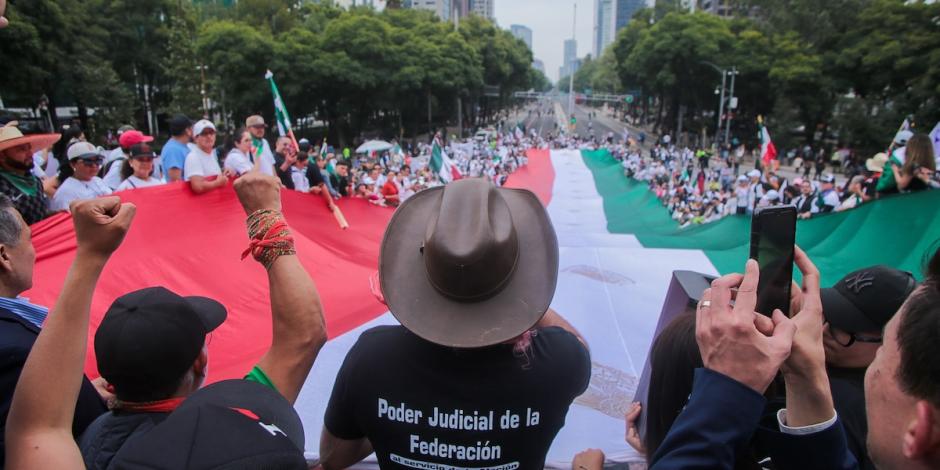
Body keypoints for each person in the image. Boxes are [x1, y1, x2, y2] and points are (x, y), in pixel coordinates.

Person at [320, 178, 591, 469]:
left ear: (419, 272)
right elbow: (580, 349)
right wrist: (527, 302)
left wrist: (390, 422)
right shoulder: (560, 361)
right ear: (521, 277)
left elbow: (333, 458)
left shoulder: (371, 357)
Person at [75, 173, 327, 468]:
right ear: (200, 362)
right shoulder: (233, 424)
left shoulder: (71, 440)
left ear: (109, 381)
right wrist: (265, 214)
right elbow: (305, 334)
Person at [0, 194, 108, 464]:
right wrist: (91, 254)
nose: (34, 251)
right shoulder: (15, 351)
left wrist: (79, 391)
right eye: (30, 238)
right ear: (4, 255)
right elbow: (38, 434)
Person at [821, 266, 917, 470]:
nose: (825, 330)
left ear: (889, 342)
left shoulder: (842, 402)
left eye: (846, 329)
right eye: (826, 315)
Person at [0, 122, 60, 224]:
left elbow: (39, 215)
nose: (30, 153)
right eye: (21, 150)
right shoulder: (2, 187)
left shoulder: (35, 180)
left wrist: (57, 215)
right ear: (2, 156)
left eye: (29, 148)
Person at [49, 142, 113, 212]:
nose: (94, 165)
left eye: (98, 160)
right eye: (88, 161)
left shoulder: (98, 180)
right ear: (73, 164)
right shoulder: (65, 192)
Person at [184, 119, 230, 194]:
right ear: (196, 138)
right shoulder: (193, 157)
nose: (209, 136)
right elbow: (198, 186)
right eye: (204, 133)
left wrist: (224, 173)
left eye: (211, 133)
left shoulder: (211, 154)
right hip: (201, 204)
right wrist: (217, 183)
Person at [160, 115, 192, 182]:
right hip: (183, 192)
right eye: (191, 128)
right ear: (187, 130)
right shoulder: (173, 150)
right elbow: (176, 181)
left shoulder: (180, 146)